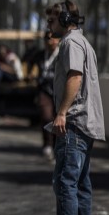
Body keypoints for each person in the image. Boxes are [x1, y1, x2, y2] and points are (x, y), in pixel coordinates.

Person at [43, 0, 105, 215]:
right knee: (80, 185)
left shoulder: (70, 43)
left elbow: (75, 77)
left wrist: (61, 112)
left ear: (66, 19)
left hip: (74, 123)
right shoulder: (83, 42)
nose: (49, 26)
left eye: (52, 21)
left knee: (65, 183)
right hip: (84, 124)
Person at [33, 31, 61, 160]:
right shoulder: (40, 55)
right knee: (46, 116)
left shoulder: (62, 55)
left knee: (57, 119)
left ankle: (56, 146)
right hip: (44, 91)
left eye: (53, 39)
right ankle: (47, 144)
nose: (50, 42)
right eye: (47, 39)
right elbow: (31, 67)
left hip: (58, 91)